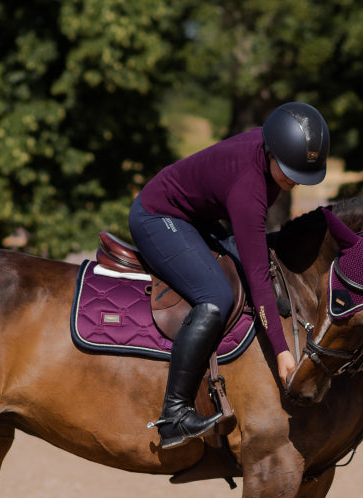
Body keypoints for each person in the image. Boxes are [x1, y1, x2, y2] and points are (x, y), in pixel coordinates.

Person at [131, 102, 330, 449]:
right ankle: (174, 414)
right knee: (216, 297)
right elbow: (256, 279)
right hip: (158, 216)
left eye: (300, 174)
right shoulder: (249, 189)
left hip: (197, 218)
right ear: (270, 150)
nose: (292, 182)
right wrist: (282, 351)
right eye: (288, 171)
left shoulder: (270, 153)